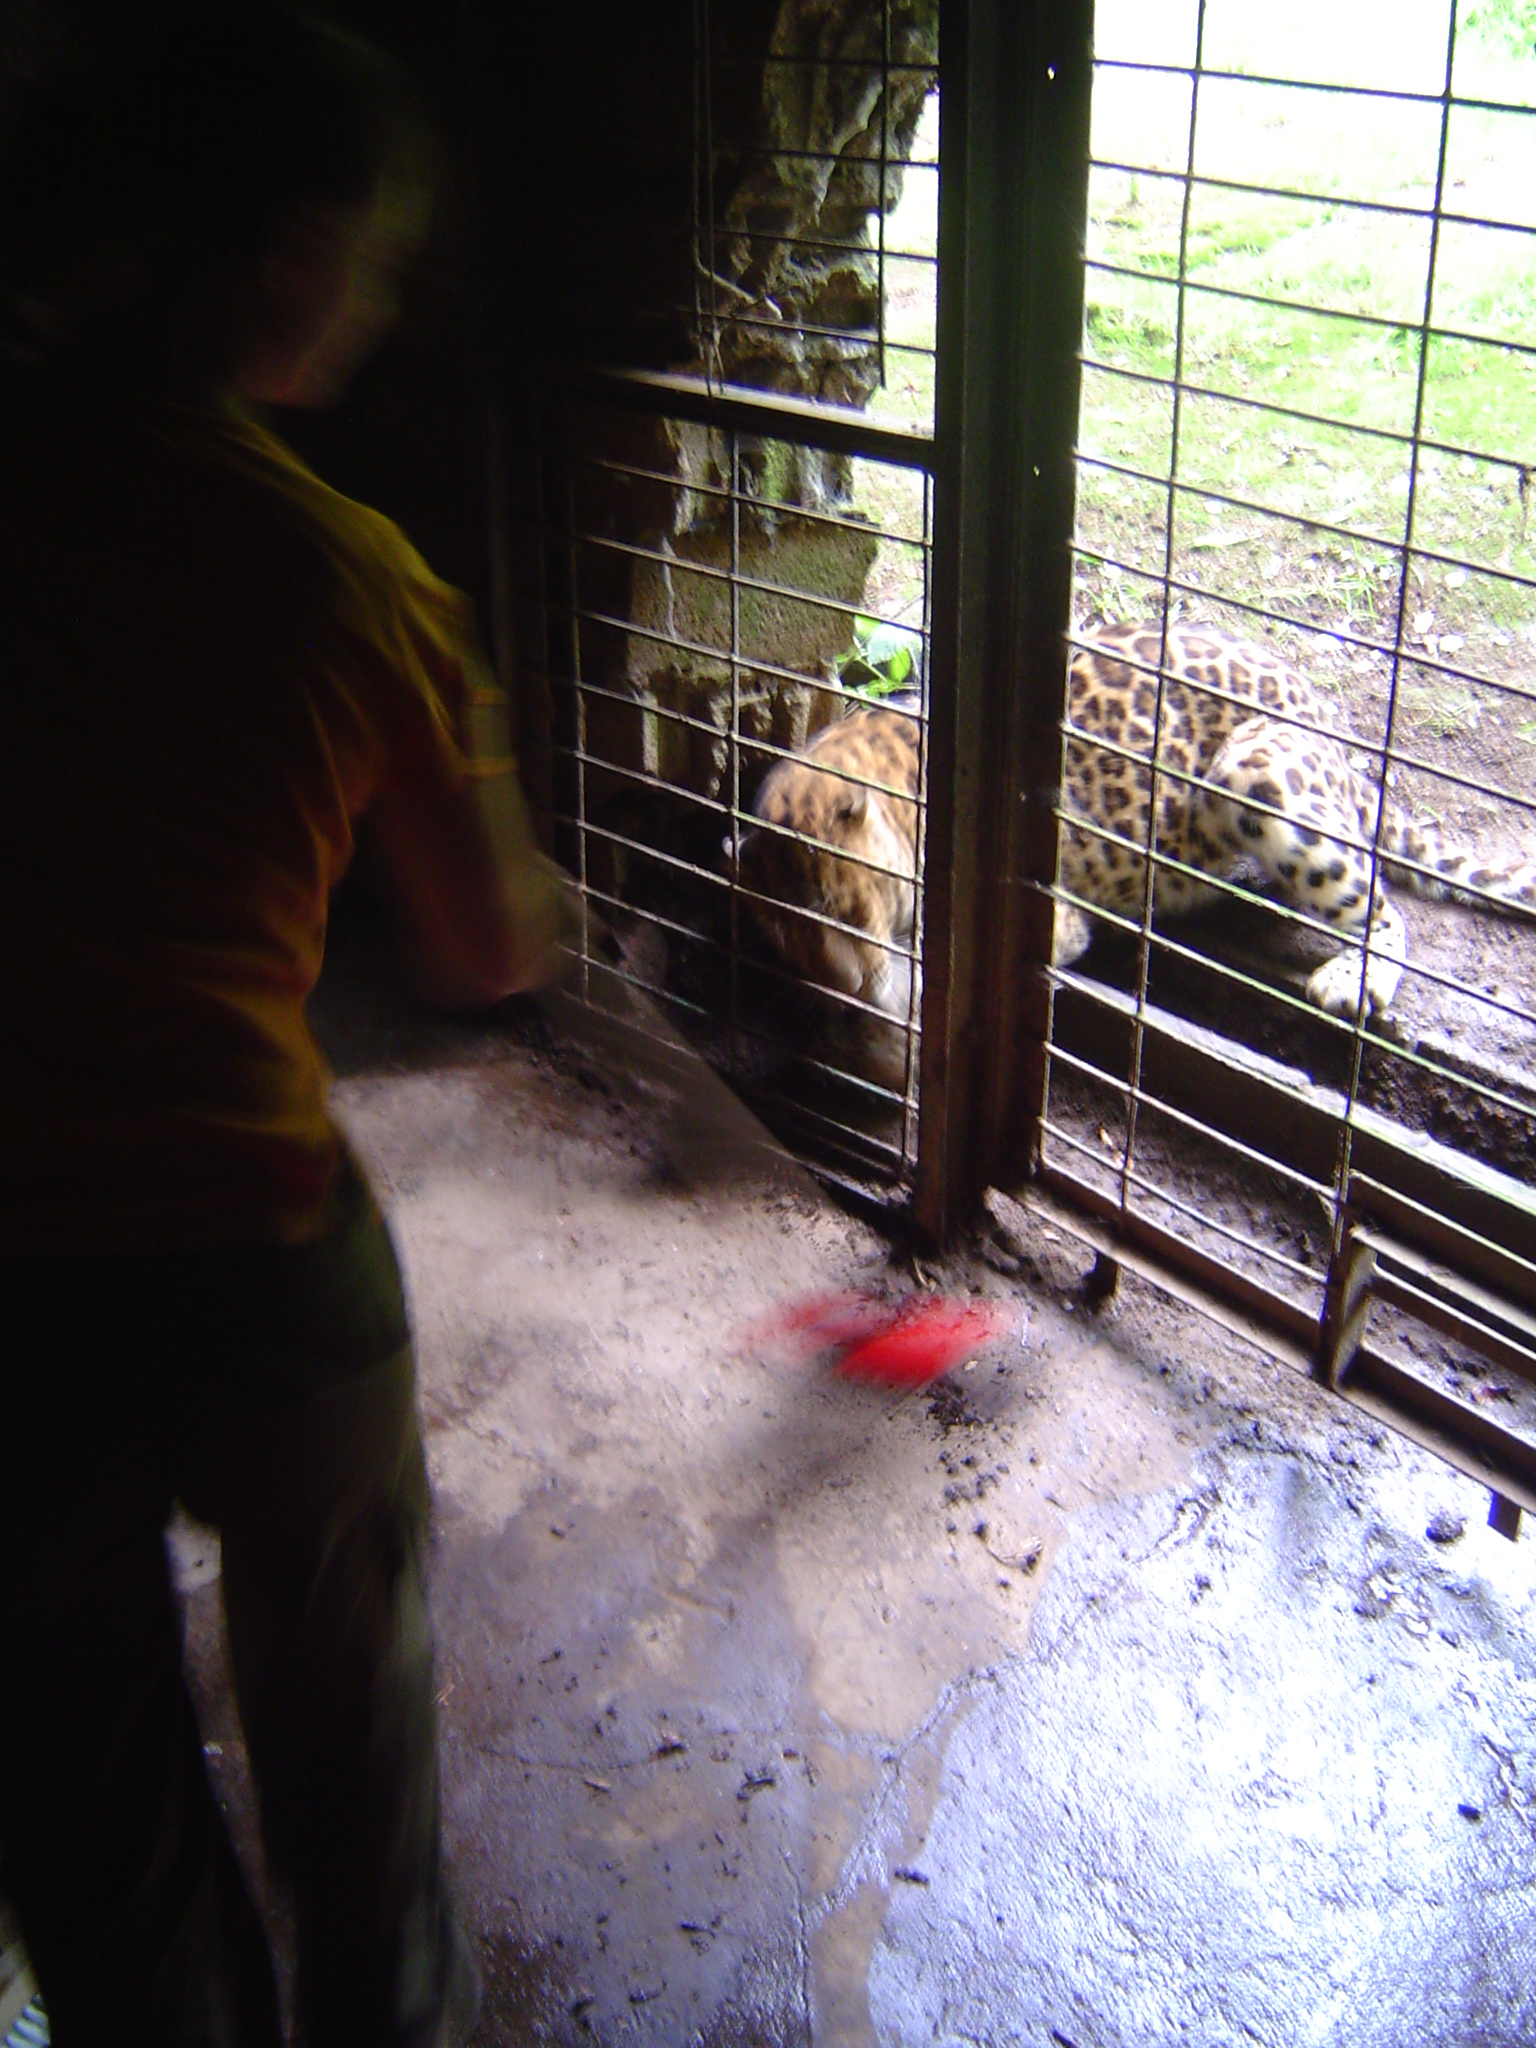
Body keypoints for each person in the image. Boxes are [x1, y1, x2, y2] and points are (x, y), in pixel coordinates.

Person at [0, 7, 559, 2040]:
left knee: (91, 1812)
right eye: (382, 256)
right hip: (251, 1251)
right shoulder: (359, 580)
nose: (387, 303)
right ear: (292, 254)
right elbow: (488, 949)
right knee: (358, 1768)